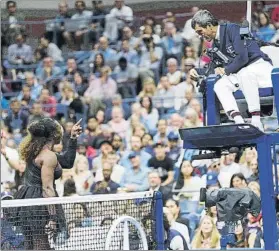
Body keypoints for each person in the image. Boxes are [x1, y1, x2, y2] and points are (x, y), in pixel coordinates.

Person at [189, 10, 274, 131]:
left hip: (259, 67)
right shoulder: (215, 46)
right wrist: (197, 72)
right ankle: (240, 122)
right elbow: (213, 69)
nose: (200, 35)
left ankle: (256, 121)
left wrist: (226, 70)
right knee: (219, 85)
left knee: (245, 74)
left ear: (209, 25)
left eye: (200, 31)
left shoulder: (233, 29)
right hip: (241, 73)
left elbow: (243, 58)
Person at [12, 118, 65, 249]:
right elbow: (47, 188)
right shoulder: (48, 156)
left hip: (26, 201)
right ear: (54, 135)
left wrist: (74, 139)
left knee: (30, 245)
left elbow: (68, 161)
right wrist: (52, 217)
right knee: (41, 245)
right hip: (39, 204)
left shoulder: (32, 151)